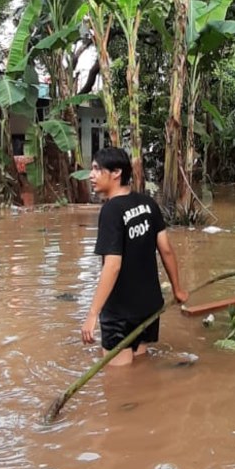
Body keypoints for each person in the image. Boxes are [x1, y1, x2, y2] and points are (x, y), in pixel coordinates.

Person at [81, 147, 188, 365]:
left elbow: (112, 266)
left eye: (96, 169)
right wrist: (177, 289)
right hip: (149, 307)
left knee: (118, 380)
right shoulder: (148, 204)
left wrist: (92, 314)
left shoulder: (111, 211)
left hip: (121, 312)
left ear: (116, 173)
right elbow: (166, 249)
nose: (91, 175)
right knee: (140, 369)